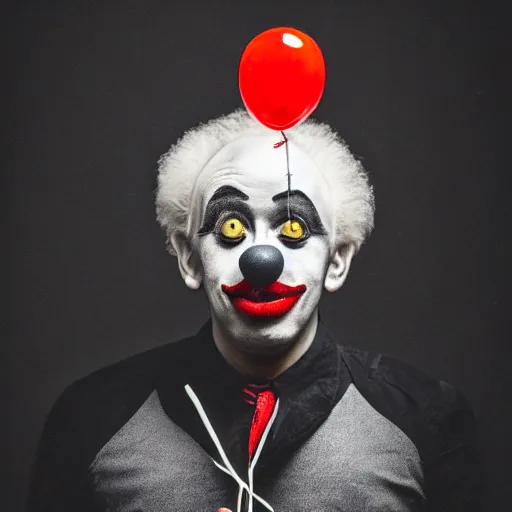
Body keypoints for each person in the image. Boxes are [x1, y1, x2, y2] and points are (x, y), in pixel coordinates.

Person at [28, 110, 485, 512]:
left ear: (338, 259)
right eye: (231, 226)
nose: (261, 260)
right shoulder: (91, 419)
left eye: (293, 227)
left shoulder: (425, 418)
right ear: (189, 257)